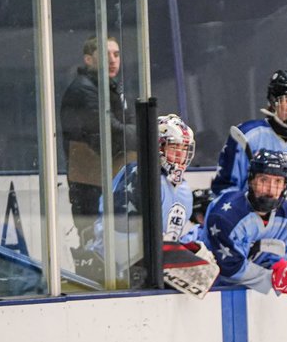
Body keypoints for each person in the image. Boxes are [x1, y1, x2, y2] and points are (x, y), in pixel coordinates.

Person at [210, 70, 287, 273]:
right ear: (274, 103)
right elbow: (226, 189)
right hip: (248, 237)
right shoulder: (248, 135)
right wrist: (232, 228)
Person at [201, 149, 287, 306]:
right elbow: (229, 269)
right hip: (206, 291)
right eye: (264, 180)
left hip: (254, 299)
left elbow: (283, 266)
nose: (270, 189)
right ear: (251, 181)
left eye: (278, 182)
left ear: (285, 186)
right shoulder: (225, 215)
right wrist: (276, 279)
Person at [90, 114, 200, 287]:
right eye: (174, 147)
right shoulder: (139, 175)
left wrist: (190, 251)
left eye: (184, 148)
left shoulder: (183, 188)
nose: (180, 155)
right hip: (118, 269)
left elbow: (171, 236)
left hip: (156, 267)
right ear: (158, 147)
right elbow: (118, 231)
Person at [60, 35, 137, 269]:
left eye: (116, 54)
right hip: (90, 185)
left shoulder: (109, 87)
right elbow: (111, 132)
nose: (113, 60)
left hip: (105, 180)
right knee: (94, 248)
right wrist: (142, 131)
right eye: (105, 54)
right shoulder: (84, 90)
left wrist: (133, 131)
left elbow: (126, 125)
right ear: (88, 59)